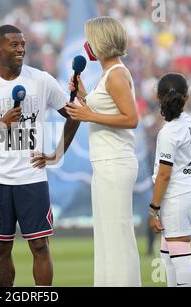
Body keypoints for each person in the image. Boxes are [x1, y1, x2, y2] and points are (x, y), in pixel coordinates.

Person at [0, 25, 80, 287]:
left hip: (32, 178)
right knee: (1, 249)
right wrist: (1, 124)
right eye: (14, 44)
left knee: (40, 246)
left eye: (22, 44)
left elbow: (74, 112)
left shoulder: (41, 80)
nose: (20, 49)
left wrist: (57, 153)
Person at [66, 16, 141, 287]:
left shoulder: (117, 73)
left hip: (115, 162)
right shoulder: (109, 74)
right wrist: (85, 97)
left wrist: (88, 114)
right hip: (105, 162)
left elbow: (131, 118)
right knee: (107, 237)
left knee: (118, 237)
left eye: (90, 39)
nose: (87, 45)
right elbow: (106, 111)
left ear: (100, 41)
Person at [149, 73, 191, 287]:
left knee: (181, 259)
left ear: (159, 97)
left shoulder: (169, 132)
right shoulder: (189, 122)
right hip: (189, 188)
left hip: (176, 194)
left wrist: (153, 208)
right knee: (168, 255)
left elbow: (164, 174)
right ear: (186, 98)